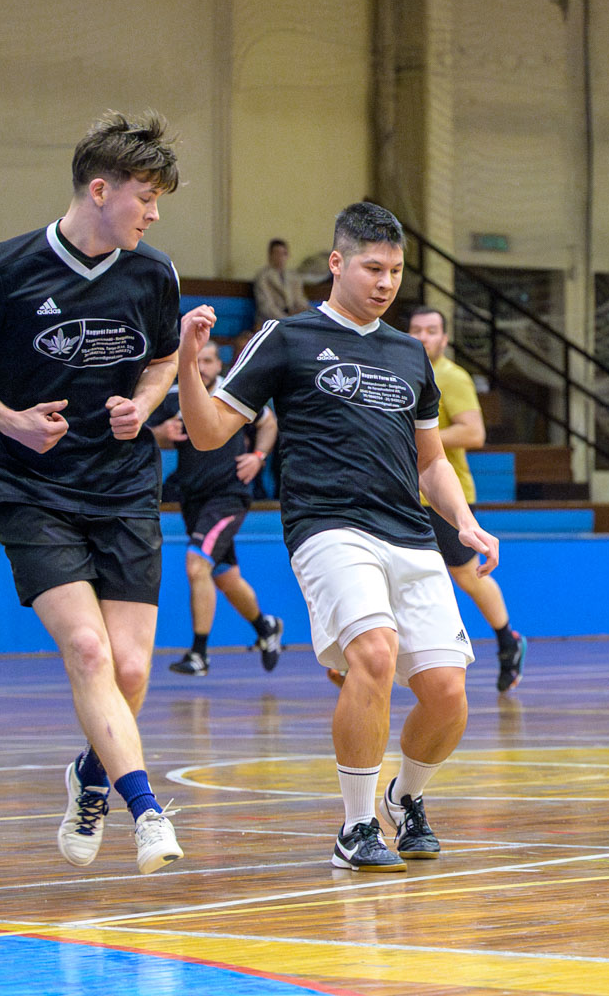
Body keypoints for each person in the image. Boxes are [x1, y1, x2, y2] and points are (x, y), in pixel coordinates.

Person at [175, 201, 499, 873]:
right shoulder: (286, 338)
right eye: (373, 268)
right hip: (328, 526)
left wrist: (464, 521)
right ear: (336, 263)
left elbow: (432, 461)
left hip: (410, 533)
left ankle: (405, 798)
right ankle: (355, 827)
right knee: (374, 655)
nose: (385, 282)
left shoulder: (410, 354)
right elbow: (207, 433)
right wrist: (185, 359)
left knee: (447, 694)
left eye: (396, 271)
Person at [0, 110, 186, 874]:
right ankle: (146, 810)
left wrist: (144, 405)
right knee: (87, 648)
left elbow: (164, 361)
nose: (154, 213)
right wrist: (10, 421)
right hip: (32, 486)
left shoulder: (154, 274)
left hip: (124, 485)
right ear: (100, 190)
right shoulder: (4, 267)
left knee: (130, 670)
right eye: (146, 197)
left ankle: (88, 775)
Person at [407, 305, 526, 692]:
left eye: (431, 330)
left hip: (443, 495)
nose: (423, 337)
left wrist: (417, 438)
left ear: (444, 338)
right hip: (404, 494)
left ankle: (508, 640)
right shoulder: (400, 372)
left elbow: (474, 433)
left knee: (466, 574)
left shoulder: (451, 377)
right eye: (417, 330)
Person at [148, 342, 285, 677]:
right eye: (196, 361)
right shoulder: (175, 396)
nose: (203, 367)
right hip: (193, 498)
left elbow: (269, 423)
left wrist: (258, 457)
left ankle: (199, 655)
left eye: (208, 360)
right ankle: (266, 626)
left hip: (228, 496)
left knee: (197, 565)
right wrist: (161, 434)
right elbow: (149, 434)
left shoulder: (234, 393)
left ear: (219, 364)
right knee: (226, 577)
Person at [252, 238, 312, 325]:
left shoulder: (294, 277)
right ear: (270, 256)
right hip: (269, 321)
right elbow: (266, 307)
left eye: (284, 253)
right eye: (277, 253)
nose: (280, 257)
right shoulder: (263, 277)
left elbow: (300, 301)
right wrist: (285, 320)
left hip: (291, 318)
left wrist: (304, 313)